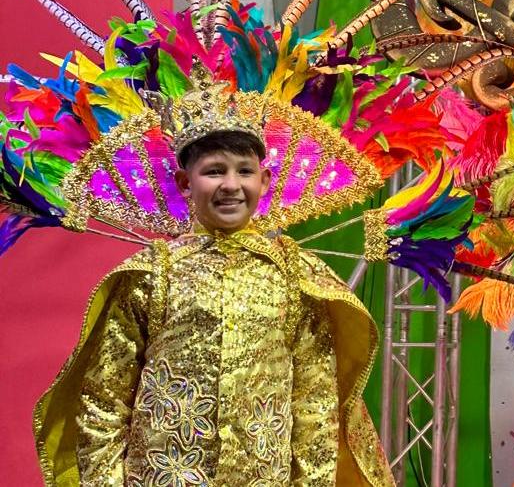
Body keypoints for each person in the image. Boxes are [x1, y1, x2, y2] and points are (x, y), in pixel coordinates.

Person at [32, 84, 393, 486]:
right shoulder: (151, 276)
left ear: (265, 179)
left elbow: (315, 405)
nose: (231, 185)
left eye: (244, 170)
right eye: (214, 171)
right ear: (185, 182)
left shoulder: (296, 276)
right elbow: (104, 399)